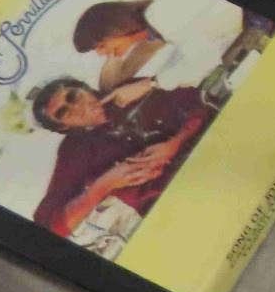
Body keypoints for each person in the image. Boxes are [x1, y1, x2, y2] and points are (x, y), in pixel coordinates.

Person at [29, 76, 208, 241]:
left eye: (73, 96)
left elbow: (199, 103)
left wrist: (176, 141)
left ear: (83, 88)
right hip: (170, 205)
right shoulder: (75, 150)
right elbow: (47, 226)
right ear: (64, 127)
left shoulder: (128, 89)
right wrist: (104, 185)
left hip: (207, 156)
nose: (76, 107)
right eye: (63, 112)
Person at [73, 0, 166, 93]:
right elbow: (110, 88)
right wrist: (113, 60)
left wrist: (150, 83)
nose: (100, 54)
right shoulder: (147, 40)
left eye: (101, 46)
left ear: (115, 29)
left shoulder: (158, 15)